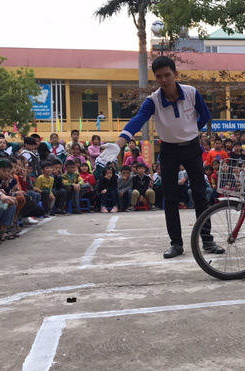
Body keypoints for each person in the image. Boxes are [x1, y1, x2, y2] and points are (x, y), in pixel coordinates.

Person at [97, 56, 221, 258]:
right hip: (169, 151)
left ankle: (207, 240)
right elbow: (138, 120)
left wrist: (191, 130)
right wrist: (119, 143)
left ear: (175, 74)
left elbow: (205, 116)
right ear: (155, 78)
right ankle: (176, 244)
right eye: (159, 77)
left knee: (200, 195)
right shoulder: (153, 100)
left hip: (191, 149)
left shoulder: (191, 93)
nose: (164, 80)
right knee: (170, 197)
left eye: (167, 75)